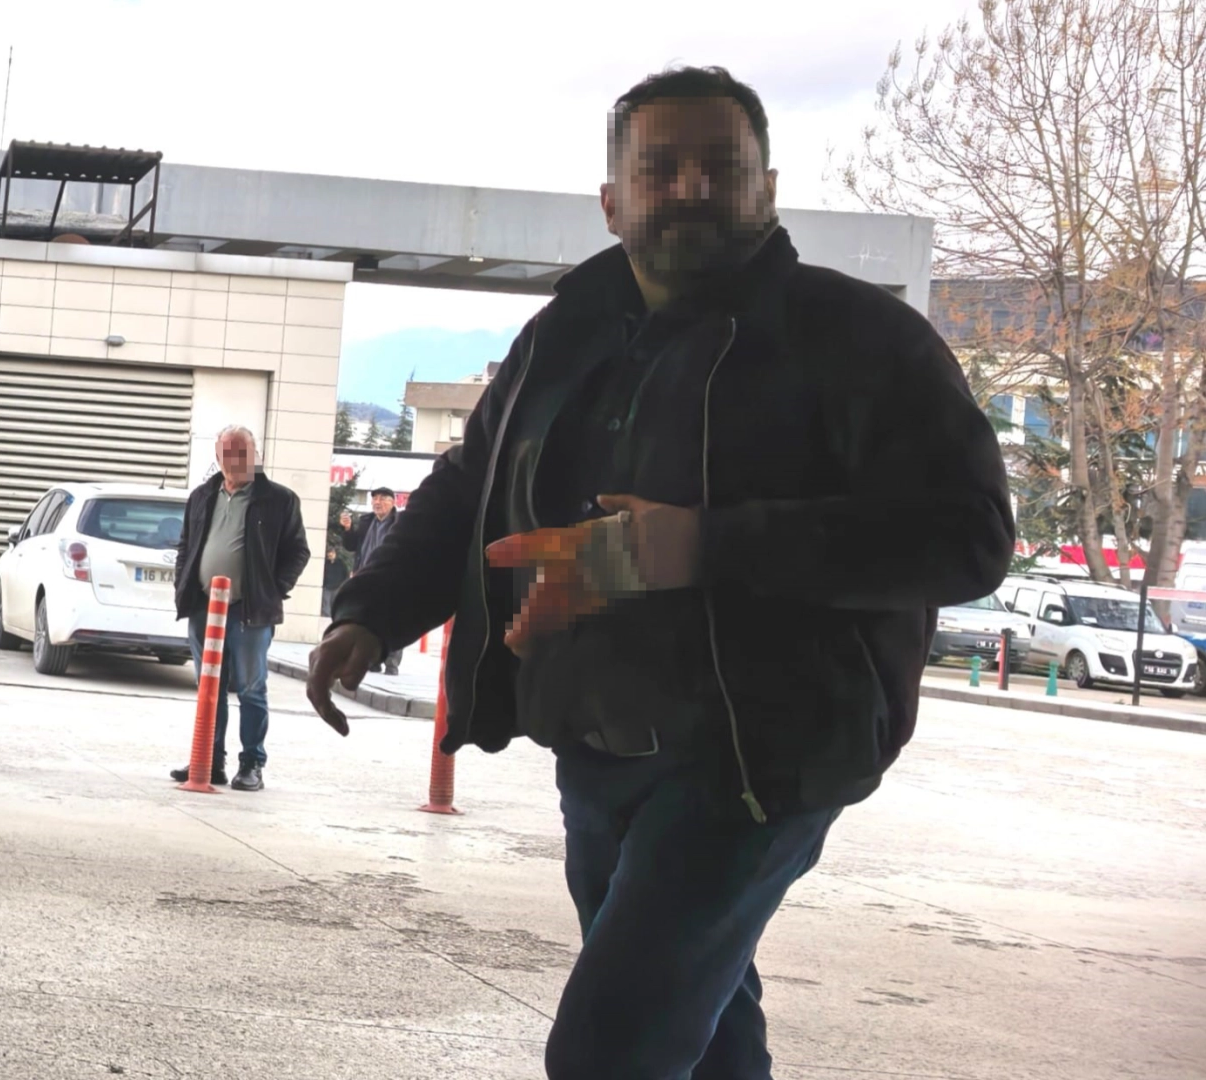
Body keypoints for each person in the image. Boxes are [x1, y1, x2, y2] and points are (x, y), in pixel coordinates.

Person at [307, 65, 1013, 1079]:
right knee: (705, 1036)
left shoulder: (861, 340)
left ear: (768, 189)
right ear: (611, 200)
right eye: (659, 169)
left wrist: (702, 545)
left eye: (721, 167)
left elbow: (967, 537)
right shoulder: (560, 337)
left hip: (758, 761)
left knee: (610, 1050)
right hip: (593, 745)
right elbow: (468, 488)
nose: (690, 188)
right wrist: (370, 613)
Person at [172, 425, 309, 792]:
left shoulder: (279, 500)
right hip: (204, 608)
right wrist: (182, 584)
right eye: (229, 454)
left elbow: (298, 551)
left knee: (251, 688)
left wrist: (272, 590)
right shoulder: (202, 496)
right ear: (218, 457)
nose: (236, 461)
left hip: (249, 612)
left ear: (255, 455)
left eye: (244, 453)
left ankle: (251, 764)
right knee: (209, 688)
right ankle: (208, 759)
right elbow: (186, 545)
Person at [339, 487, 404, 673]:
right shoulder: (366, 521)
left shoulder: (401, 522)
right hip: (366, 577)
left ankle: (391, 662)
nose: (377, 502)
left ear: (393, 502)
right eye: (374, 499)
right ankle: (373, 660)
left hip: (391, 578)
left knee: (392, 620)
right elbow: (351, 546)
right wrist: (347, 529)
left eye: (382, 499)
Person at [321, 545, 349, 616]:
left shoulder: (340, 563)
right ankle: (326, 617)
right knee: (326, 605)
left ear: (334, 554)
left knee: (334, 604)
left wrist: (342, 585)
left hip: (337, 587)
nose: (330, 556)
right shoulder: (325, 563)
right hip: (327, 587)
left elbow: (345, 574)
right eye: (328, 555)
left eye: (331, 554)